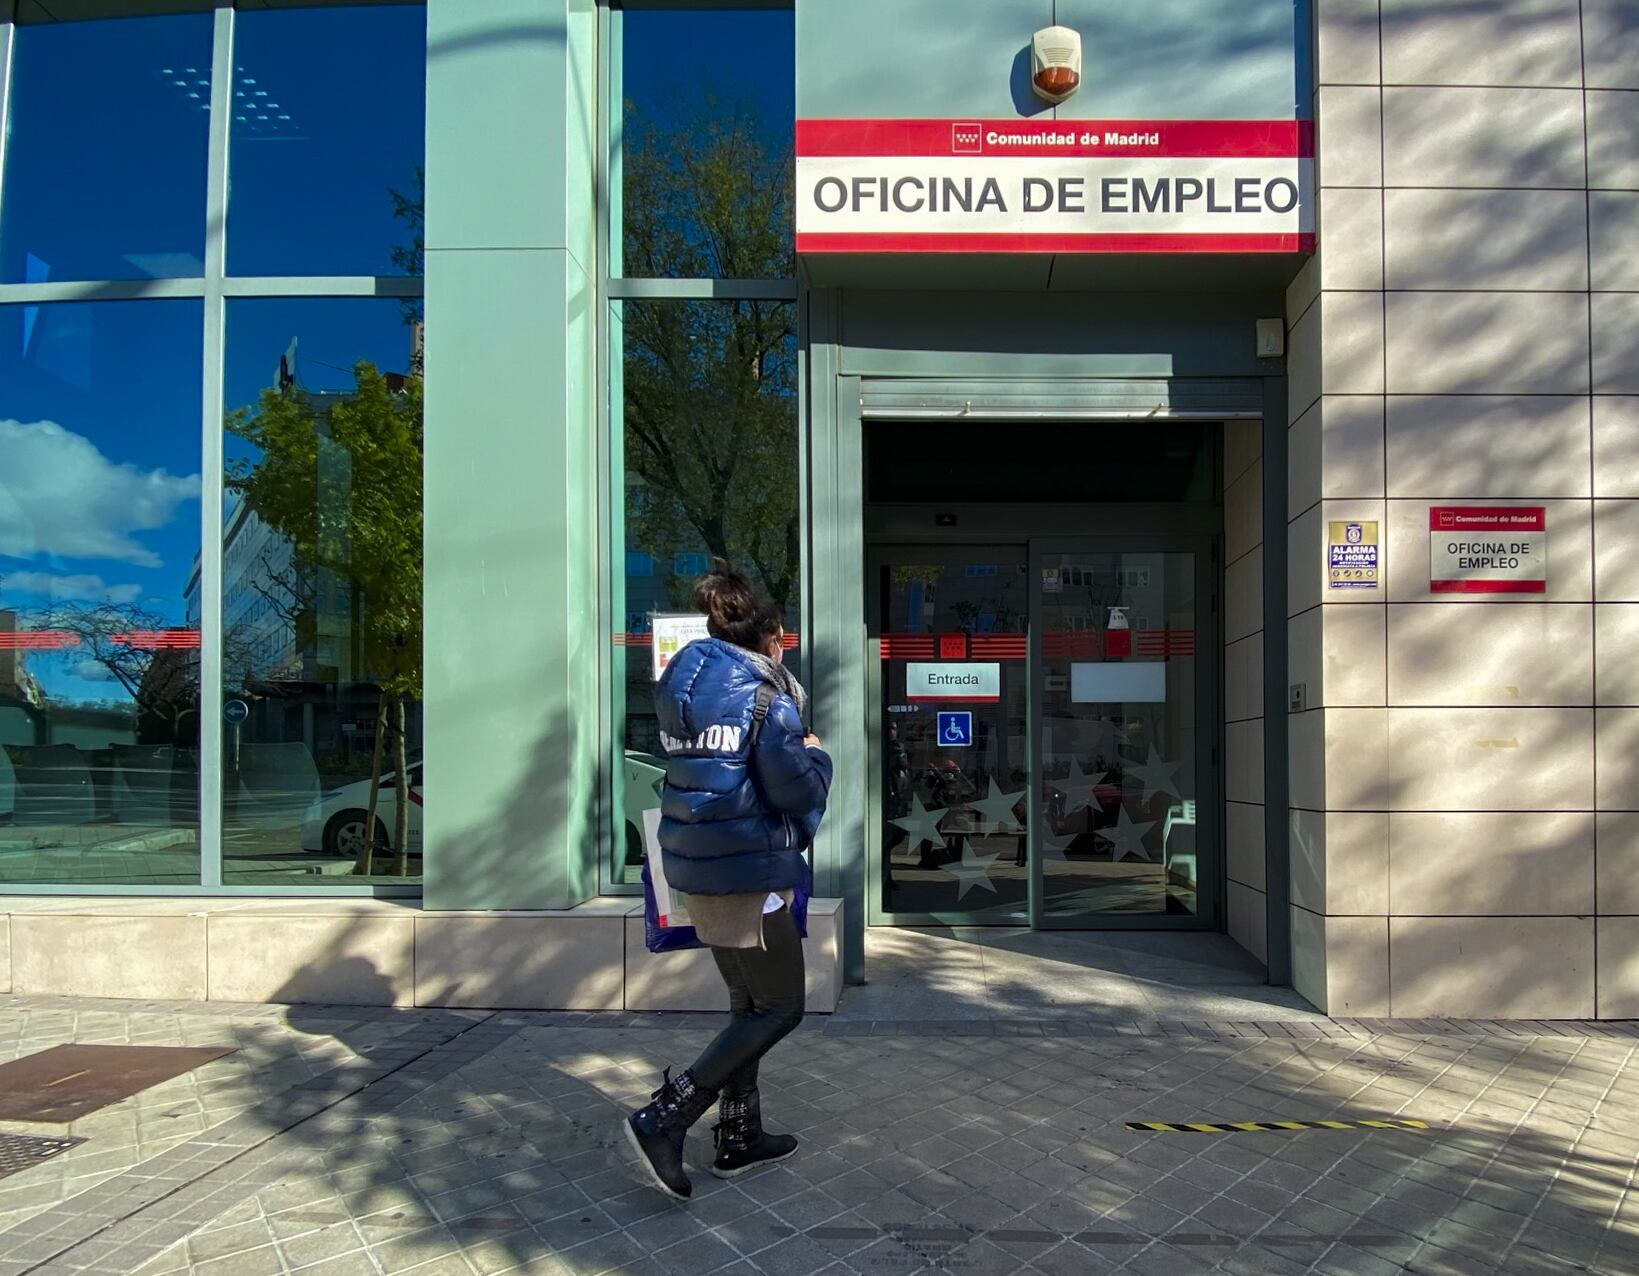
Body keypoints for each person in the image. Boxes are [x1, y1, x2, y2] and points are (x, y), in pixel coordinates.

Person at [624, 561, 833, 1201]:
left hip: (698, 867)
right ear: (770, 639)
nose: (783, 649)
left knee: (749, 1005)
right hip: (750, 869)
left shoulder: (681, 688)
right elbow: (795, 789)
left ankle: (740, 1136)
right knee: (781, 1008)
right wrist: (817, 754)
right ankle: (667, 1116)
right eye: (781, 640)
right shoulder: (768, 699)